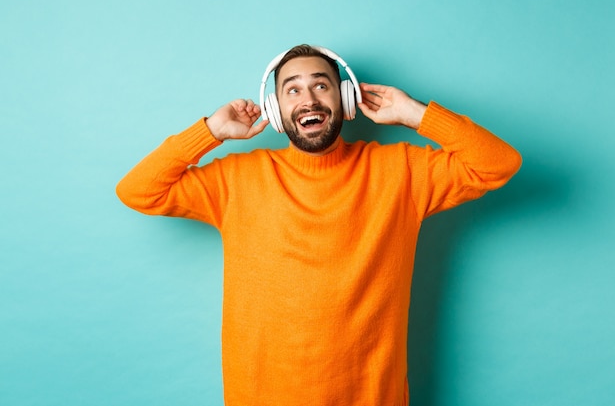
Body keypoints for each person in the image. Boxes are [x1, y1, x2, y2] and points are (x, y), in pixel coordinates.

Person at [116, 44, 522, 406]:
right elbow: (138, 191)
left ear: (345, 97)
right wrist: (208, 132)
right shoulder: (235, 180)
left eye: (321, 85)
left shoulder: (402, 172)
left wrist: (416, 115)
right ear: (275, 108)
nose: (308, 99)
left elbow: (498, 164)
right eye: (292, 89)